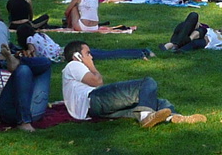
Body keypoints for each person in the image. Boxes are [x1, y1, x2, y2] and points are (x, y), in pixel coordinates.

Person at [59, 40, 205, 127]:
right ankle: (145, 116)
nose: (91, 56)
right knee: (147, 83)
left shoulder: (74, 70)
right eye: (87, 53)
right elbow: (97, 81)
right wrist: (89, 64)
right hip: (93, 101)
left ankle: (174, 117)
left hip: (93, 109)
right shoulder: (73, 65)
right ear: (77, 56)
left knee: (157, 101)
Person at [62, 0, 134, 33]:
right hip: (94, 27)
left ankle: (69, 26)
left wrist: (68, 19)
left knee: (73, 8)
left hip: (82, 26)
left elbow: (67, 11)